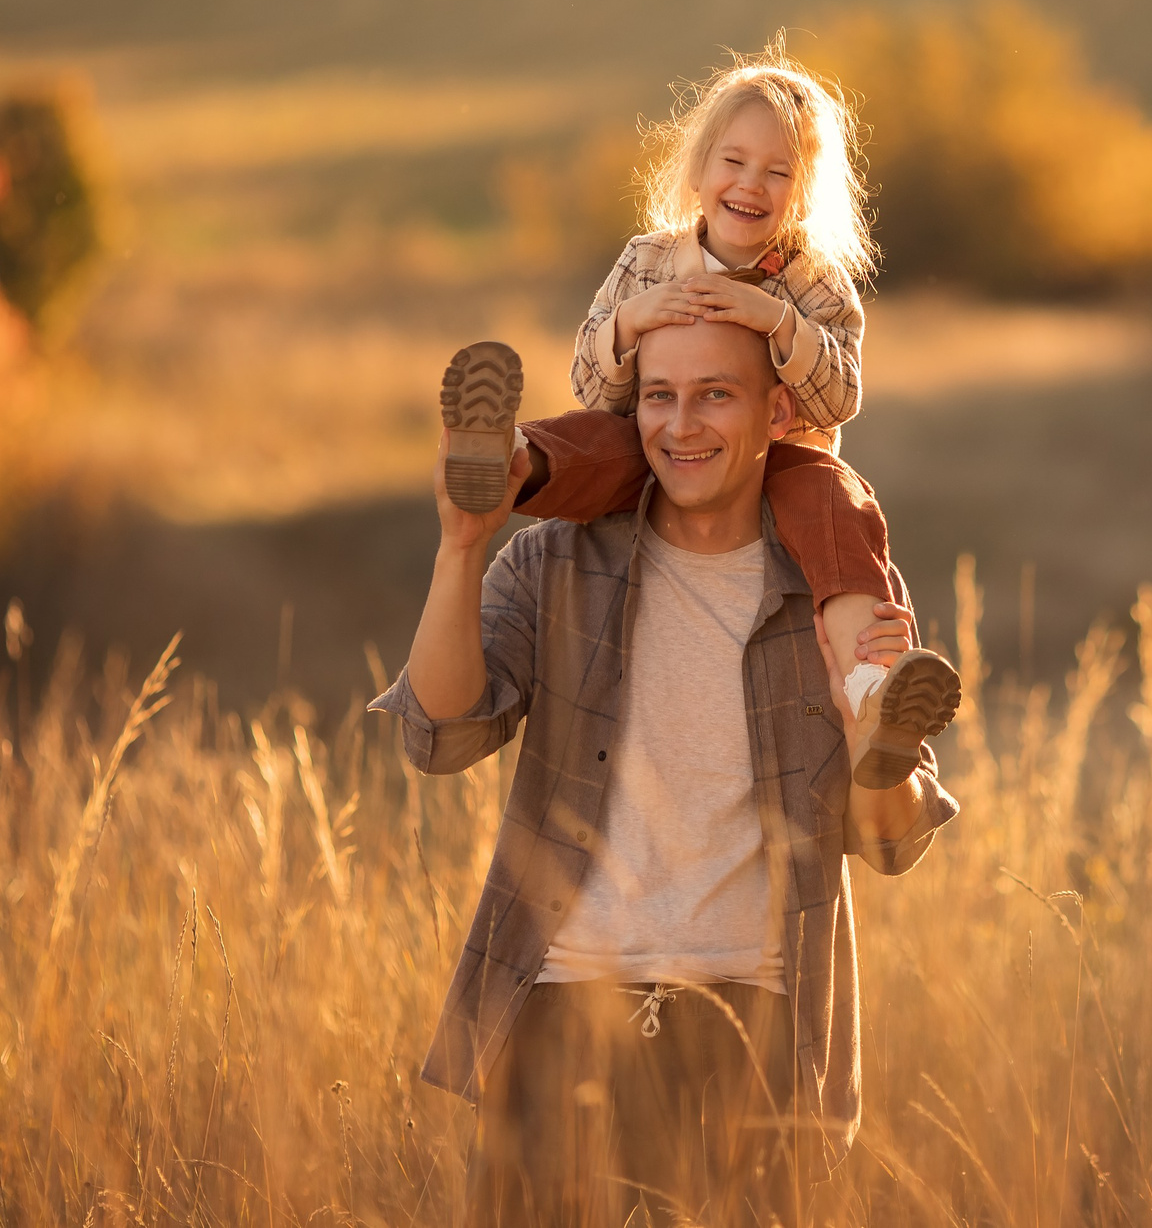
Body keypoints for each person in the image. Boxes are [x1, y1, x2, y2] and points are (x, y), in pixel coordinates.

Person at [374, 315, 961, 1225]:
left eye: (714, 395)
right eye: (659, 396)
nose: (680, 426)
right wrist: (460, 544)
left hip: (753, 1021)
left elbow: (891, 843)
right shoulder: (554, 558)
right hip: (561, 1005)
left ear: (777, 412)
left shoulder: (839, 590)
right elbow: (439, 734)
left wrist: (860, 733)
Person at [437, 46, 955, 786]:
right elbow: (591, 380)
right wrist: (634, 320)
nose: (751, 185)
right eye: (734, 162)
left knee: (843, 510)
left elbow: (841, 396)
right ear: (699, 167)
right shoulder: (649, 260)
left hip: (787, 461)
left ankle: (874, 697)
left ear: (805, 196)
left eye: (779, 172)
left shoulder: (814, 283)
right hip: (655, 441)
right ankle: (505, 461)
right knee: (598, 443)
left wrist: (775, 321)